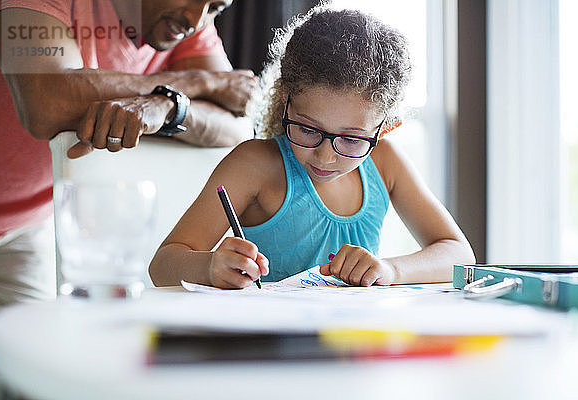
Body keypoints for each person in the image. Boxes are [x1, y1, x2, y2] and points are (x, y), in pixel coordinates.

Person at [148, 6, 476, 289]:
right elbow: (163, 264)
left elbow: (458, 253)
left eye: (351, 139)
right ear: (285, 102)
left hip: (352, 346)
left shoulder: (385, 162)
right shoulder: (254, 165)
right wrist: (208, 267)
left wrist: (390, 269)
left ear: (385, 127)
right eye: (307, 129)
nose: (325, 156)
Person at [0, 0, 257, 310]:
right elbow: (46, 101)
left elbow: (237, 123)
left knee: (30, 356)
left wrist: (169, 106)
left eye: (215, 7)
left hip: (27, 226)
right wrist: (196, 82)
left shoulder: (186, 26)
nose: (195, 19)